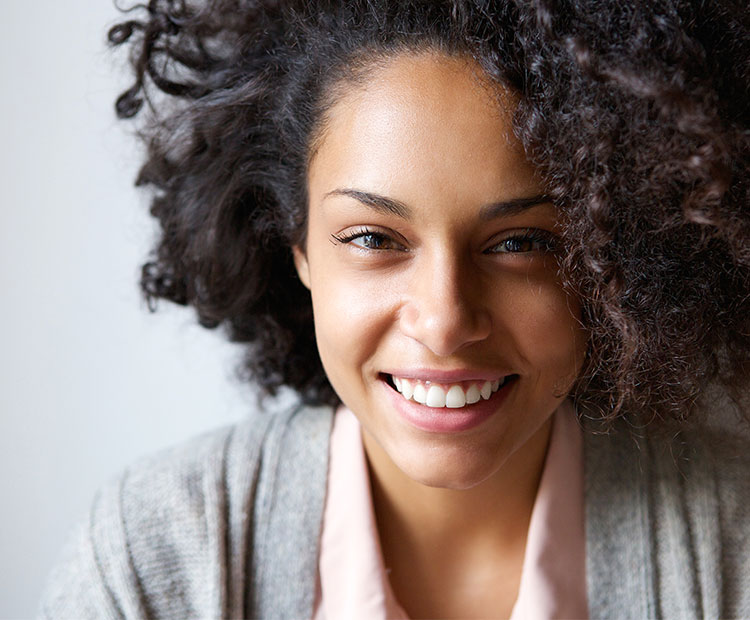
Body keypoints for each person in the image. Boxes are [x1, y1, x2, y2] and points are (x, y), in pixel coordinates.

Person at [40, 1, 749, 618]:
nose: (443, 320)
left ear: (613, 256)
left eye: (521, 242)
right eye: (374, 238)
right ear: (299, 248)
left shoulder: (734, 549)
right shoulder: (147, 562)